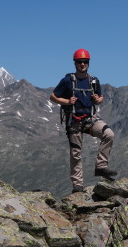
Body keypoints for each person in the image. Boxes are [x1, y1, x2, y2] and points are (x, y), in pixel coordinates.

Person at [50, 48, 116, 193]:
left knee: (109, 134)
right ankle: (78, 185)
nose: (82, 64)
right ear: (75, 63)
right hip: (73, 121)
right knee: (76, 153)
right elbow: (53, 97)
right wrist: (67, 101)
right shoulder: (68, 80)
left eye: (85, 62)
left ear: (88, 63)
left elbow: (100, 97)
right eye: (79, 62)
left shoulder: (93, 81)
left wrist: (98, 99)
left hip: (90, 119)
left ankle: (101, 167)